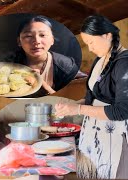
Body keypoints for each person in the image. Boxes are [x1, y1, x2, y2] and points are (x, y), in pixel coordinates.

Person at [54, 15, 128, 179]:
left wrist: (78, 109)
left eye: (91, 42)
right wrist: (71, 107)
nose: (90, 48)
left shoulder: (124, 63)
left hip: (114, 138)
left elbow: (122, 110)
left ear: (107, 35)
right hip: (94, 136)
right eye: (87, 44)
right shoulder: (99, 61)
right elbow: (92, 99)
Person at [14, 15, 79, 96]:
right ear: (19, 41)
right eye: (28, 36)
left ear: (52, 40)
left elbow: (74, 99)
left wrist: (45, 88)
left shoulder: (67, 67)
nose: (37, 41)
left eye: (42, 35)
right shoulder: (9, 63)